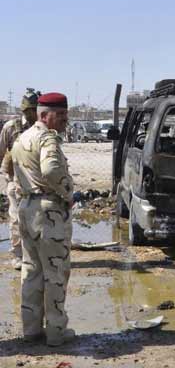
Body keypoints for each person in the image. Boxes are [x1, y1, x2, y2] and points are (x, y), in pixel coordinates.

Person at [12, 92, 75, 346]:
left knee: (31, 272)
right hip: (48, 212)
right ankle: (56, 333)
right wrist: (68, 191)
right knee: (56, 273)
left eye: (65, 115)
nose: (64, 120)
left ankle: (31, 330)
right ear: (43, 115)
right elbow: (50, 170)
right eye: (59, 115)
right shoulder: (47, 138)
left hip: (26, 208)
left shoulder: (22, 138)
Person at [0, 88, 40, 270]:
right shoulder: (11, 128)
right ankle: (17, 255)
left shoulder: (43, 129)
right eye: (30, 110)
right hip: (16, 182)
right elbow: (1, 153)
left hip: (38, 183)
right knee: (16, 219)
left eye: (35, 110)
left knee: (38, 220)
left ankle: (34, 255)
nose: (32, 114)